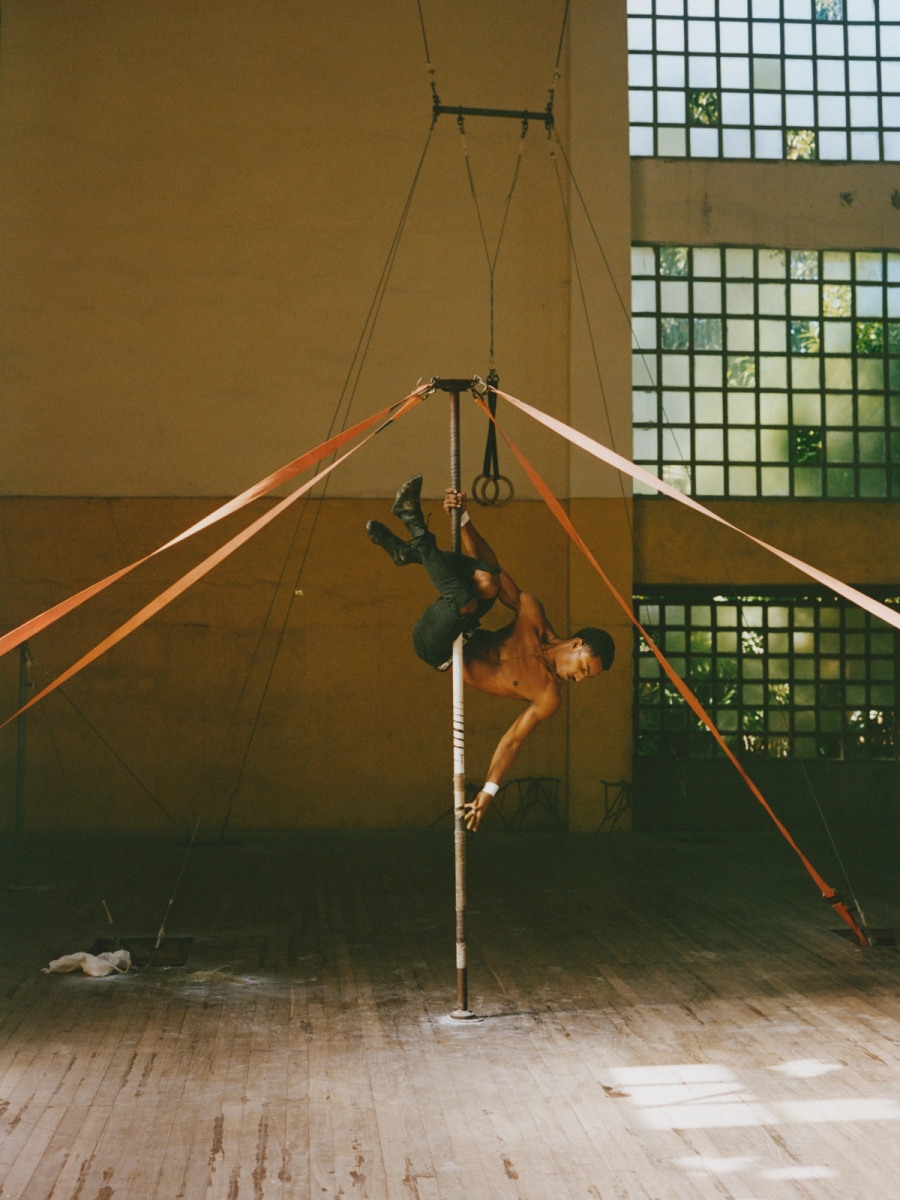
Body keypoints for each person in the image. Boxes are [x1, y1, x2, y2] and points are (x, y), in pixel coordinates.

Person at [366, 475, 615, 831]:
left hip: (437, 648)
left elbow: (512, 740)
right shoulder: (532, 613)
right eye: (582, 669)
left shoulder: (548, 696)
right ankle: (411, 547)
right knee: (487, 582)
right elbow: (490, 570)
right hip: (462, 622)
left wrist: (488, 791)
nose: (577, 679)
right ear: (576, 644)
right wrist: (464, 519)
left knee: (467, 602)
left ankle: (414, 534)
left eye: (582, 679)